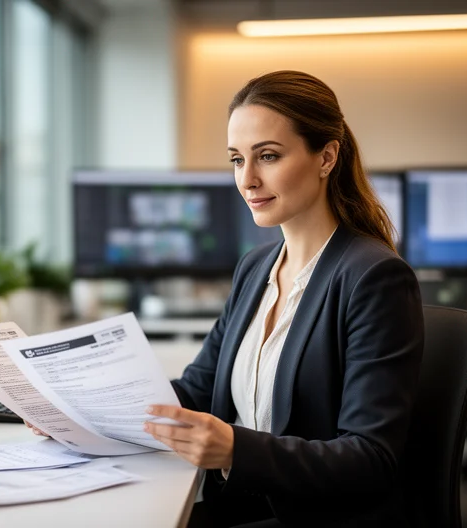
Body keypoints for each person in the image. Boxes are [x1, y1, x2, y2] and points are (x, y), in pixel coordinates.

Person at [142, 71, 424, 527]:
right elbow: (197, 391)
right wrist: (85, 413)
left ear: (326, 157)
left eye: (268, 156)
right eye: (237, 160)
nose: (247, 179)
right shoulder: (256, 267)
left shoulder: (374, 277)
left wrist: (236, 449)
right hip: (238, 507)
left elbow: (370, 458)